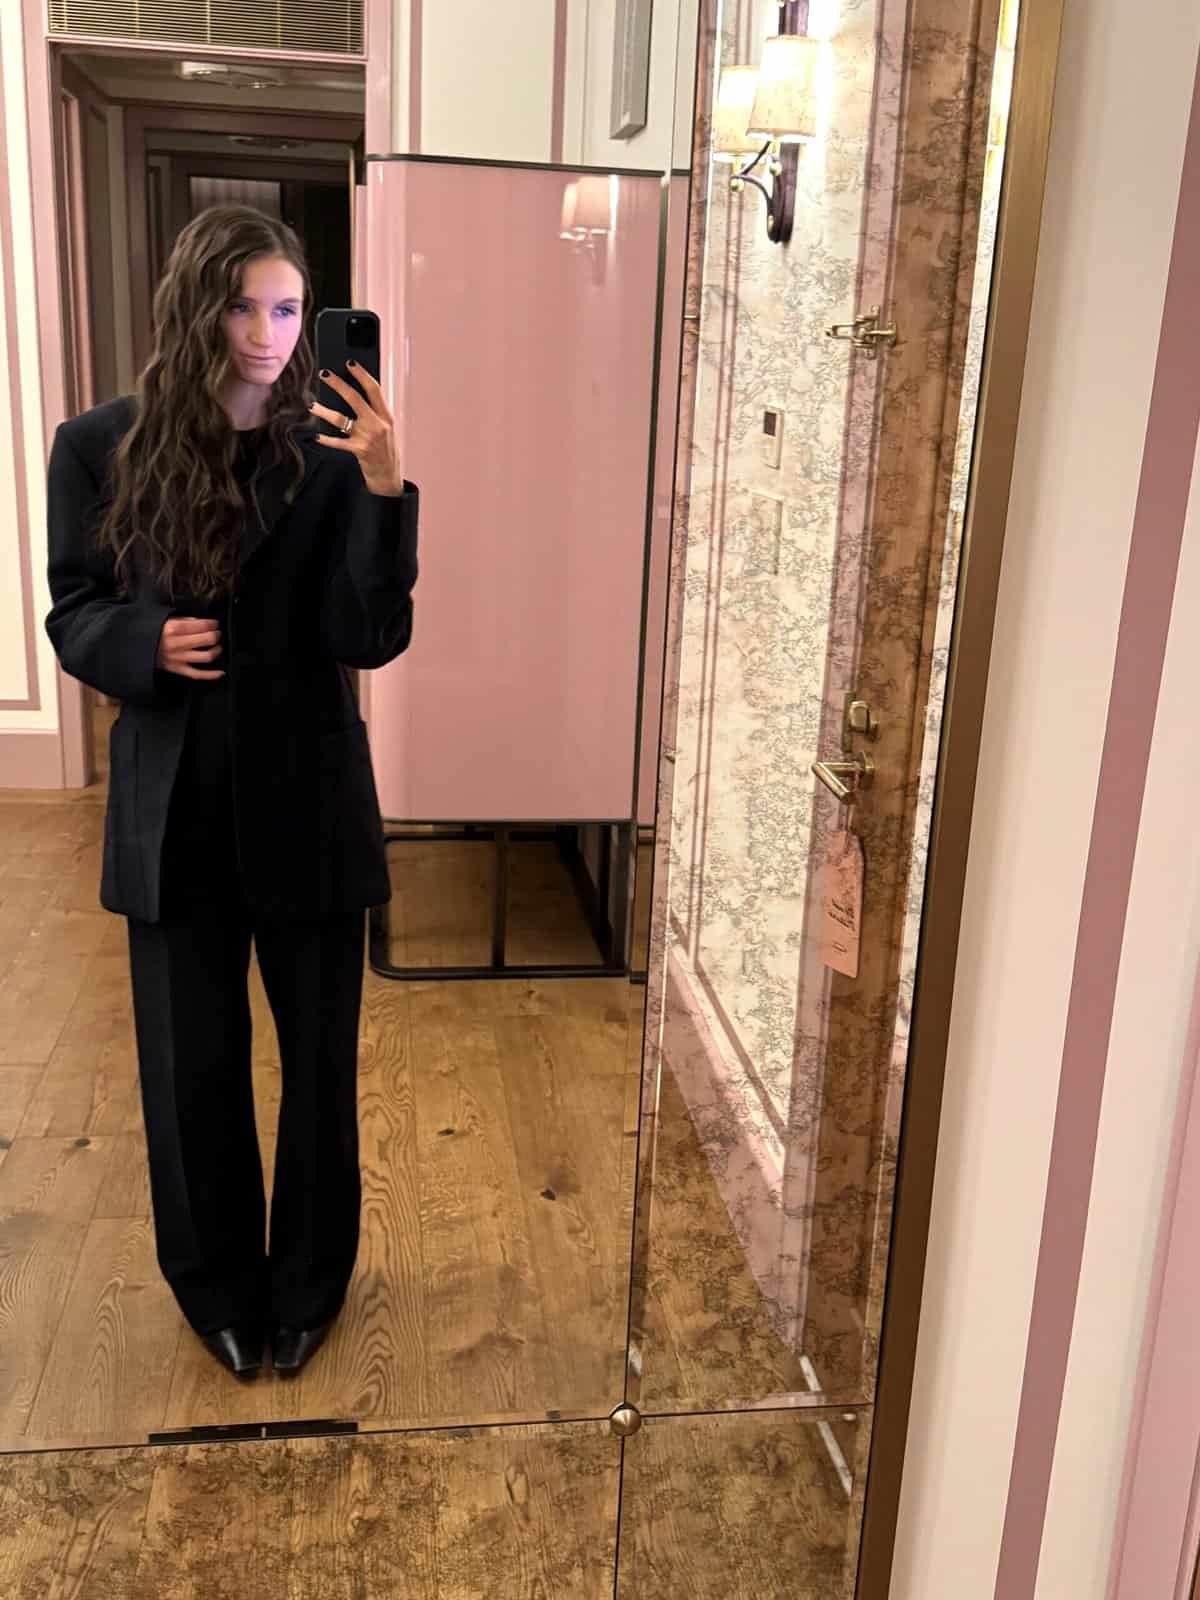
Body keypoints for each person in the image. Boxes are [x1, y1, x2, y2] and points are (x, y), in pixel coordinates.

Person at [43, 205, 418, 1380]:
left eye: (288, 308)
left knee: (320, 1070)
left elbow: (368, 635)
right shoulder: (99, 445)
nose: (267, 332)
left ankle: (309, 1286)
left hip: (308, 800)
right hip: (175, 811)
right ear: (196, 306)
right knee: (188, 1068)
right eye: (244, 305)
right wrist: (142, 642)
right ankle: (212, 1285)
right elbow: (72, 607)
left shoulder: (332, 452)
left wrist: (387, 489)